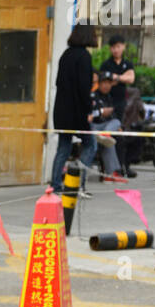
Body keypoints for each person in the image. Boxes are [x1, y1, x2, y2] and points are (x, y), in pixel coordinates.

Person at [50, 23, 98, 196]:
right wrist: (88, 111)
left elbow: (59, 83)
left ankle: (55, 185)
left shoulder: (66, 55)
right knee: (90, 145)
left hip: (62, 111)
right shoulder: (84, 57)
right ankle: (77, 184)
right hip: (77, 112)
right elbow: (84, 88)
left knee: (63, 147)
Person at [98, 33, 135, 171]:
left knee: (119, 134)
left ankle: (121, 167)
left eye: (118, 47)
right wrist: (121, 78)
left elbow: (131, 79)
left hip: (121, 103)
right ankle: (105, 167)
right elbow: (104, 84)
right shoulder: (106, 64)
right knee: (106, 134)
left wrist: (115, 78)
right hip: (106, 103)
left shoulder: (128, 63)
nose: (116, 50)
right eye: (113, 47)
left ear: (123, 47)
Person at [89, 73, 124, 181]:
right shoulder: (93, 96)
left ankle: (109, 175)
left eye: (109, 83)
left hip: (105, 128)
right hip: (93, 127)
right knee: (107, 139)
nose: (106, 86)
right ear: (99, 84)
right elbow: (89, 115)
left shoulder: (109, 97)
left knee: (109, 138)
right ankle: (112, 173)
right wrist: (101, 112)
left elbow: (113, 117)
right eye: (104, 83)